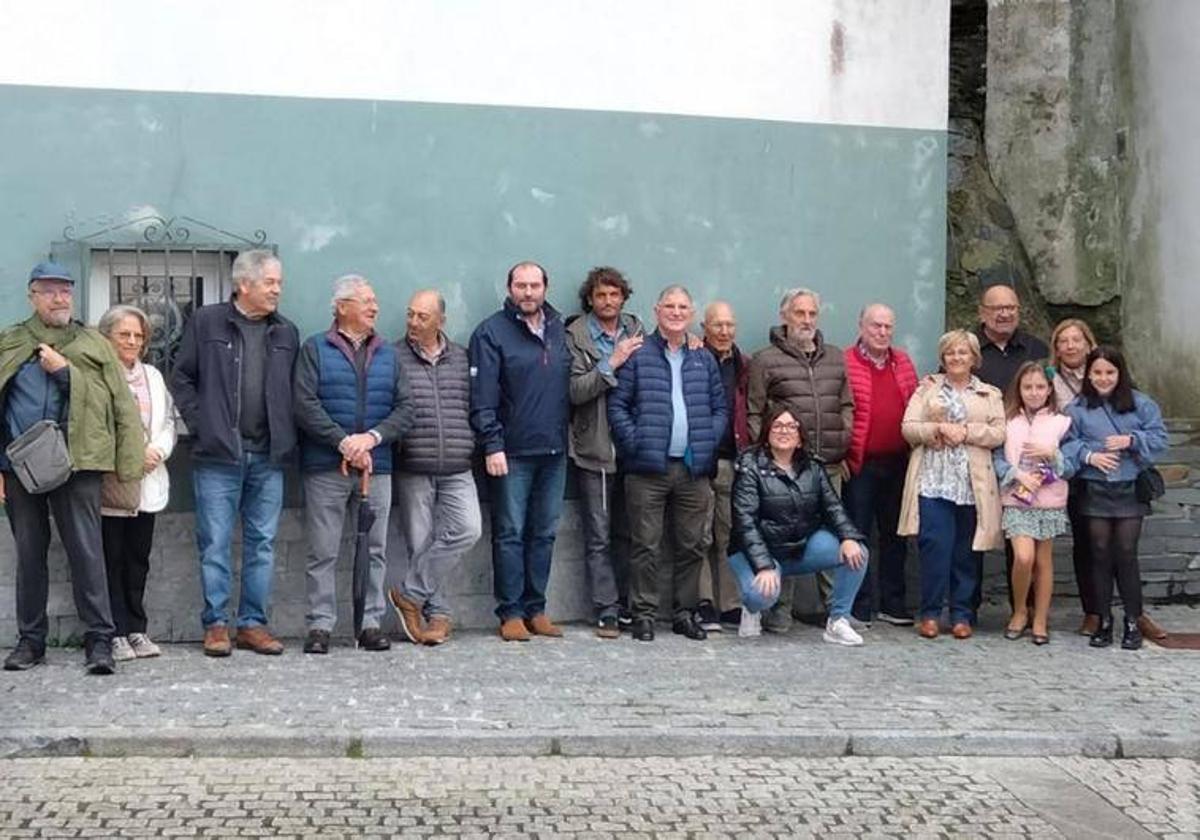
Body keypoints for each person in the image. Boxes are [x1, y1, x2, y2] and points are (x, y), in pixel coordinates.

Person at [1, 262, 143, 674]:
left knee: (87, 551)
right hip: (20, 465)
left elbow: (116, 403)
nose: (60, 298)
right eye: (49, 291)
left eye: (65, 290)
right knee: (29, 554)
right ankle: (31, 642)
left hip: (80, 464)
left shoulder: (93, 344)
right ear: (32, 295)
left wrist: (66, 373)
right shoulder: (10, 341)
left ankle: (99, 640)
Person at [170, 249, 299, 657]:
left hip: (268, 456)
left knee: (263, 543)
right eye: (271, 282)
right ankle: (216, 625)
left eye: (279, 282)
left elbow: (293, 391)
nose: (278, 289)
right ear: (244, 284)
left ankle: (253, 624)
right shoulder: (207, 321)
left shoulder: (286, 332)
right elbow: (182, 377)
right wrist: (202, 423)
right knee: (215, 542)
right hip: (217, 457)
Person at [294, 275, 412, 654]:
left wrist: (371, 439)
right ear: (342, 307)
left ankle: (370, 623)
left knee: (375, 548)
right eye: (365, 300)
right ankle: (320, 625)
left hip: (376, 467)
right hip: (326, 466)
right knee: (323, 550)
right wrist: (343, 442)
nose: (374, 307)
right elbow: (305, 404)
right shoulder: (315, 348)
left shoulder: (389, 354)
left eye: (374, 300)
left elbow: (405, 408)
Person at [608, 285, 727, 642]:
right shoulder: (638, 354)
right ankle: (643, 614)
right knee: (645, 544)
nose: (676, 313)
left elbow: (719, 407)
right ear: (657, 310)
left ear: (691, 314)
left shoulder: (702, 357)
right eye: (669, 307)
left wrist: (706, 443)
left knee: (692, 545)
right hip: (648, 468)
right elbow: (618, 406)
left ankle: (684, 612)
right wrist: (636, 443)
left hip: (693, 467)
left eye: (683, 308)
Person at [469, 261, 571, 642]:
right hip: (510, 452)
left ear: (546, 287)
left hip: (554, 450)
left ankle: (536, 608)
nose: (528, 292)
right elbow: (483, 397)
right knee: (510, 532)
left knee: (544, 532)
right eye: (521, 285)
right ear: (510, 288)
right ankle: (510, 612)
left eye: (534, 285)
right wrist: (492, 444)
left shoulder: (561, 329)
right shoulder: (491, 332)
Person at [1050, 320, 1168, 643]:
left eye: (1110, 373)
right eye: (1098, 373)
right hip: (1095, 487)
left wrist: (1131, 440)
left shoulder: (1142, 404)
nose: (1103, 379)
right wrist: (1090, 456)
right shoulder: (1077, 409)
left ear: (1120, 374)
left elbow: (1160, 439)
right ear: (1089, 375)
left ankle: (1133, 620)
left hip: (1129, 487)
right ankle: (1103, 619)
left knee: (1126, 552)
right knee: (1099, 552)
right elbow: (1066, 445)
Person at [746, 287, 854, 633]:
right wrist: (767, 455)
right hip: (784, 468)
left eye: (812, 314)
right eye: (799, 313)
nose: (806, 320)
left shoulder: (835, 357)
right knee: (784, 537)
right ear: (785, 316)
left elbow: (846, 404)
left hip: (829, 464)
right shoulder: (764, 359)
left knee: (833, 536)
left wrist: (844, 437)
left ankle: (835, 612)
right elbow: (754, 411)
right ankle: (780, 611)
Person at [727, 406, 868, 646]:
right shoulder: (749, 466)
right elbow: (745, 523)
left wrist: (847, 536)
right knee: (763, 594)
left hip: (799, 547)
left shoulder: (813, 467)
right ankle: (751, 610)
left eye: (791, 426)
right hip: (756, 553)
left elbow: (833, 507)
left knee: (858, 553)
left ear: (800, 437)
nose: (784, 431)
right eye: (778, 426)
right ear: (767, 434)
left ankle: (838, 621)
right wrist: (763, 565)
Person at [388, 289, 481, 646]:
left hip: (458, 461)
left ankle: (409, 595)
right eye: (410, 314)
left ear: (441, 320)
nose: (413, 322)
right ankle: (436, 613)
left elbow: (474, 403)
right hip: (414, 462)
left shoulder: (461, 357)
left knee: (468, 529)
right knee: (420, 541)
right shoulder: (393, 356)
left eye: (422, 316)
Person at [899, 329, 1005, 640]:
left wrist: (967, 432)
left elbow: (999, 432)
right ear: (943, 358)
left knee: (966, 552)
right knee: (934, 547)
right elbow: (908, 427)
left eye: (963, 353)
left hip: (973, 484)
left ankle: (962, 614)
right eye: (950, 353)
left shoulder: (990, 393)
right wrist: (937, 429)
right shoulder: (926, 389)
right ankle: (931, 613)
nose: (956, 358)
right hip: (933, 481)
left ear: (974, 358)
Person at [565, 267, 644, 639]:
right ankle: (606, 609)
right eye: (601, 295)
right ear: (590, 299)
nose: (608, 301)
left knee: (631, 533)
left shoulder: (638, 330)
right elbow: (575, 391)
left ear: (623, 297)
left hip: (637, 448)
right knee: (598, 534)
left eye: (614, 295)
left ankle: (630, 604)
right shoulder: (575, 336)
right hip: (594, 447)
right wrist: (611, 363)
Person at [97, 304, 177, 662]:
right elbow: (95, 428)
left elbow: (168, 422)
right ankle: (113, 631)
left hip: (147, 481)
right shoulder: (99, 376)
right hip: (112, 484)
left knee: (137, 559)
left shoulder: (153, 376)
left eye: (138, 335)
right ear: (107, 338)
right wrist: (129, 456)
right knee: (109, 559)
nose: (132, 341)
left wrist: (156, 451)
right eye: (124, 334)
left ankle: (136, 629)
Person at [842, 303, 918, 626]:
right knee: (857, 534)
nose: (883, 332)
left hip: (899, 461)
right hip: (861, 463)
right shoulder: (846, 361)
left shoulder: (902, 361)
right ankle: (858, 603)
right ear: (861, 326)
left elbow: (915, 402)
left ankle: (893, 602)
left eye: (888, 326)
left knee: (895, 535)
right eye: (876, 326)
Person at [992, 362, 1072, 645]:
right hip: (1017, 497)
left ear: (1050, 389)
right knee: (1023, 557)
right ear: (1019, 389)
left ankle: (1040, 618)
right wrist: (1016, 474)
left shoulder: (1062, 421)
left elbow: (1071, 461)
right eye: (1028, 387)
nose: (1034, 393)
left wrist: (1052, 454)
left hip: (1049, 499)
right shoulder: (1008, 420)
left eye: (1040, 387)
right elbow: (997, 458)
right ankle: (1019, 610)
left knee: (1042, 560)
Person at [696, 300, 750, 631]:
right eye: (717, 325)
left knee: (728, 533)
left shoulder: (744, 364)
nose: (724, 331)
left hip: (733, 460)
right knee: (699, 535)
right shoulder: (693, 358)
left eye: (729, 325)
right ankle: (703, 602)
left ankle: (730, 602)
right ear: (704, 328)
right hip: (701, 459)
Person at [974, 283, 1049, 392]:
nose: (1005, 314)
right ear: (982, 312)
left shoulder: (1037, 349)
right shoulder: (965, 351)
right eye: (997, 308)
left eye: (1011, 308)